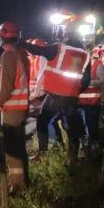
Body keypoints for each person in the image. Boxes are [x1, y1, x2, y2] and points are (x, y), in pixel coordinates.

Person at [23, 33, 92, 161]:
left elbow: (37, 50)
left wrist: (19, 41)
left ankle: (42, 153)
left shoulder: (60, 49)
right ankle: (72, 157)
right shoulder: (85, 55)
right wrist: (75, 92)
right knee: (71, 128)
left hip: (55, 96)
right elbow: (86, 80)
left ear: (66, 37)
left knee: (42, 120)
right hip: (71, 97)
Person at [0, 21, 31, 192]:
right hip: (21, 110)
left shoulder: (8, 56)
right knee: (19, 148)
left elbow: (6, 90)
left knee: (12, 151)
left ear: (2, 37)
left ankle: (18, 186)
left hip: (12, 112)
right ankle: (24, 182)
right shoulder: (21, 54)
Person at [76, 45, 104, 156]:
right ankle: (84, 147)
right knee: (80, 127)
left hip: (92, 103)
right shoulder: (76, 62)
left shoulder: (96, 63)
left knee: (92, 126)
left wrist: (88, 82)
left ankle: (94, 147)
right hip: (77, 102)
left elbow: (103, 79)